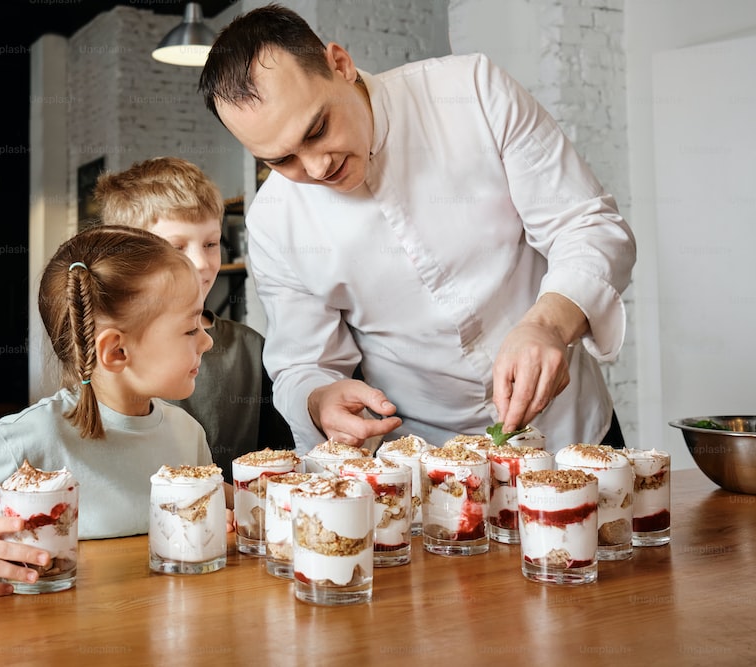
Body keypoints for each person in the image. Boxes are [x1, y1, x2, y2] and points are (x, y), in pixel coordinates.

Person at [198, 5, 636, 454]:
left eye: (317, 129)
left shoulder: (473, 91)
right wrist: (320, 398)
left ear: (340, 65)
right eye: (281, 160)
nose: (316, 165)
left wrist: (549, 324)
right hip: (426, 464)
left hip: (571, 431)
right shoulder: (274, 222)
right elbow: (302, 364)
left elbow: (587, 224)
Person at [0, 225, 227, 596]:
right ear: (116, 352)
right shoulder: (29, 440)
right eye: (191, 328)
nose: (208, 340)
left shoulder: (186, 432)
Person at [93, 157, 294, 481]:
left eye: (211, 243)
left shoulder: (250, 348)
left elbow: (279, 460)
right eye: (176, 247)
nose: (201, 263)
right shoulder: (115, 352)